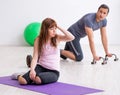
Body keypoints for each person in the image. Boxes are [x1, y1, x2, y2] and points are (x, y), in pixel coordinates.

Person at [11, 18, 74, 85]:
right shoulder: (38, 40)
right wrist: (32, 70)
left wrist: (58, 26)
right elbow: (35, 57)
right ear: (45, 29)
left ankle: (33, 75)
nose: (54, 31)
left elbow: (71, 37)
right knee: (23, 81)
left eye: (55, 29)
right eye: (51, 29)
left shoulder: (57, 38)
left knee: (38, 80)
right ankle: (19, 75)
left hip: (53, 71)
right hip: (41, 67)